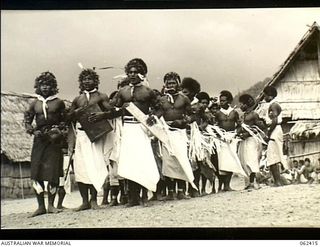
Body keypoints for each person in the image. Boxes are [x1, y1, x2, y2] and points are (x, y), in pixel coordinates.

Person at [114, 58, 160, 207]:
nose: (133, 74)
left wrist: (154, 116)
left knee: (142, 160)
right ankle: (133, 198)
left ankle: (144, 196)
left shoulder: (148, 91)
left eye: (136, 72)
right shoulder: (122, 91)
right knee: (130, 162)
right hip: (127, 129)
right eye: (130, 72)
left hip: (141, 128)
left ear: (142, 74)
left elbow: (160, 108)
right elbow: (114, 109)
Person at [24, 71, 67, 217]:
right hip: (40, 140)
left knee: (53, 172)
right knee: (37, 172)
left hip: (54, 140)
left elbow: (65, 120)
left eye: (48, 85)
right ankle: (40, 206)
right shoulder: (34, 103)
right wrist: (31, 131)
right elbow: (27, 121)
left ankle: (51, 205)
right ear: (38, 86)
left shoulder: (59, 102)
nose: (45, 87)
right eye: (42, 85)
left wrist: (59, 130)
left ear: (53, 86)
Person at [68, 69, 111, 211]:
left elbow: (111, 112)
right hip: (81, 137)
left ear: (95, 81)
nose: (87, 81)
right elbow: (68, 117)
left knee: (95, 166)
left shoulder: (101, 96)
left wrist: (101, 115)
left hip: (96, 137)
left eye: (89, 79)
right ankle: (84, 201)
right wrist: (75, 113)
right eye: (84, 79)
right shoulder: (77, 99)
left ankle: (94, 200)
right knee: (81, 168)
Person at [154, 72, 196, 200]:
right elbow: (158, 114)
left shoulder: (184, 98)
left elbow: (192, 116)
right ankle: (171, 192)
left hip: (180, 133)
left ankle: (181, 191)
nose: (171, 85)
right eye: (168, 83)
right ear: (165, 84)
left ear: (178, 84)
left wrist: (183, 122)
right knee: (168, 162)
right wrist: (153, 120)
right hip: (166, 134)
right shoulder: (161, 100)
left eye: (173, 83)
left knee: (181, 160)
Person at [215, 90, 243, 191]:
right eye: (220, 101)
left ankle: (227, 185)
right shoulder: (218, 113)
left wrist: (235, 134)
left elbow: (240, 126)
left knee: (231, 160)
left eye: (223, 101)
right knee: (223, 162)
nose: (221, 103)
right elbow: (214, 126)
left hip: (231, 138)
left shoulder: (234, 113)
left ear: (229, 101)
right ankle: (222, 186)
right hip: (222, 139)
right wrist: (220, 135)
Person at [237, 94, 266, 190]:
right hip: (244, 140)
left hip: (252, 140)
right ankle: (250, 182)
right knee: (244, 161)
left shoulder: (254, 114)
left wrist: (248, 134)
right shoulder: (243, 116)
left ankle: (255, 182)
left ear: (246, 104)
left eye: (241, 104)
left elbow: (259, 128)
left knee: (251, 160)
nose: (240, 106)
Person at [260, 86, 284, 187]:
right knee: (273, 156)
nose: (264, 97)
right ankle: (278, 180)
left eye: (265, 95)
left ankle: (278, 181)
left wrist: (268, 134)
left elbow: (274, 120)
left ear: (269, 95)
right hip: (276, 129)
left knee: (272, 156)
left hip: (275, 130)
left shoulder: (273, 105)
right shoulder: (274, 104)